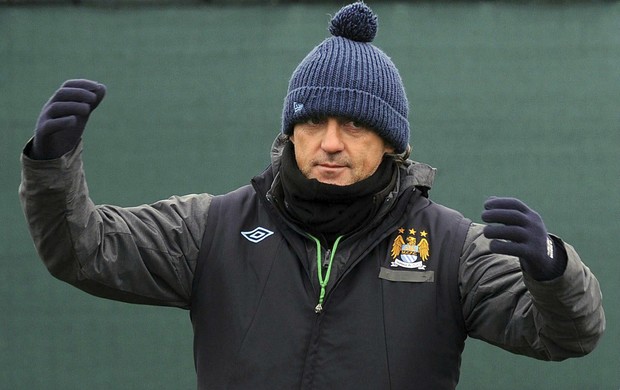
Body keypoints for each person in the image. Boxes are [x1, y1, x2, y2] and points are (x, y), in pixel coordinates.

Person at [19, 2, 604, 389]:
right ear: (289, 133)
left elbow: (568, 334)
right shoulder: (214, 228)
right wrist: (52, 167)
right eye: (313, 123)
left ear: (391, 144)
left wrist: (552, 271)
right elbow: (82, 250)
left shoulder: (449, 248)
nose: (329, 143)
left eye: (354, 126)